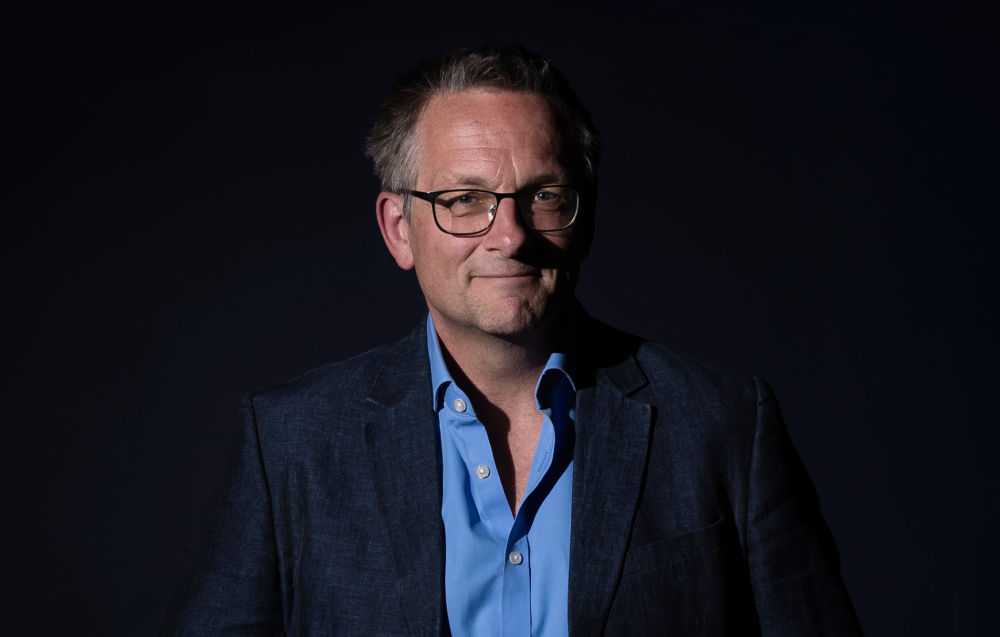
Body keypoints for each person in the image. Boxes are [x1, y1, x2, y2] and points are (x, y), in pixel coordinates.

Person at [159, 41, 863, 637]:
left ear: (584, 215)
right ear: (399, 228)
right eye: (464, 199)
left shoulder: (725, 427)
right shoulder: (288, 443)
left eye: (544, 195)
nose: (510, 234)